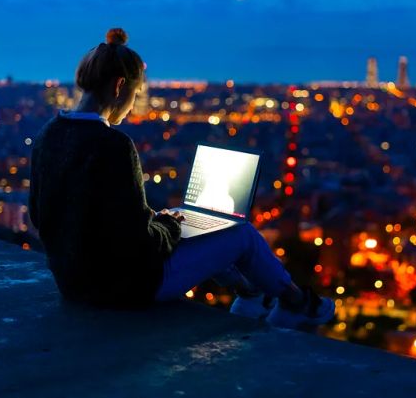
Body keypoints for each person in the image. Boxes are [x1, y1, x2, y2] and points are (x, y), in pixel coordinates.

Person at [28, 28, 335, 329]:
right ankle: (296, 304)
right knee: (241, 235)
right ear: (120, 86)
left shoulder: (48, 134)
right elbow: (141, 245)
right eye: (136, 95)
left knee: (199, 231)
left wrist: (156, 221)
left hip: (73, 282)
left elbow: (40, 216)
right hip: (124, 287)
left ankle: (252, 296)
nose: (133, 106)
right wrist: (169, 226)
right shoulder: (113, 146)